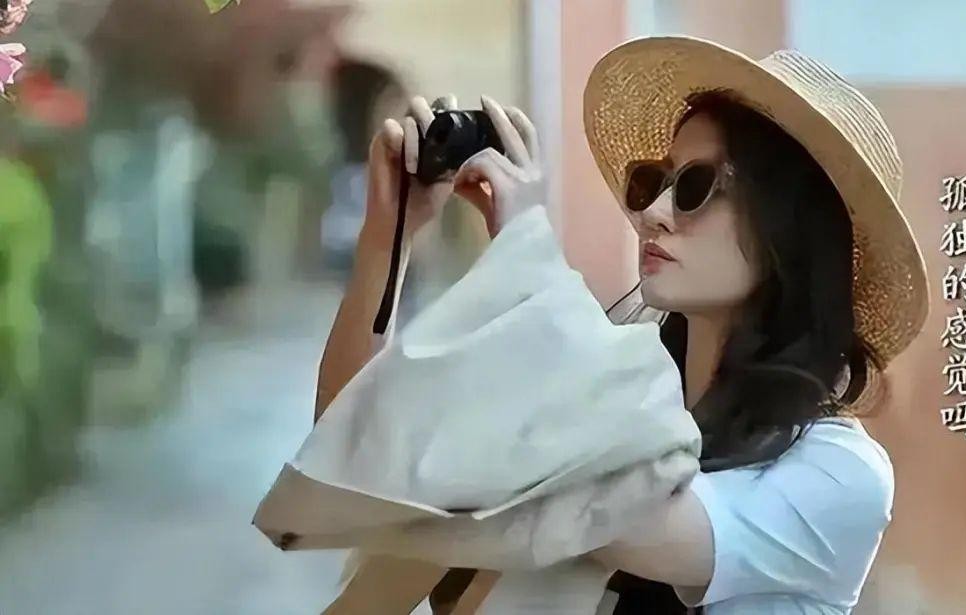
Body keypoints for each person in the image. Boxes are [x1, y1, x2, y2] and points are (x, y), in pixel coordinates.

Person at [297, 36, 929, 614]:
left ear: (787, 230)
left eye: (696, 186)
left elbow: (625, 520)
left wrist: (525, 249)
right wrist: (389, 234)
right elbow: (354, 445)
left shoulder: (840, 473)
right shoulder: (601, 394)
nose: (653, 212)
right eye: (654, 181)